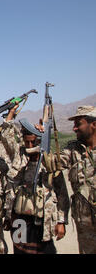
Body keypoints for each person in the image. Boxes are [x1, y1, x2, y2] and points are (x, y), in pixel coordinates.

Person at [0, 105, 69, 254]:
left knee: (44, 250)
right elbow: (5, 135)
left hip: (42, 219)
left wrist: (61, 222)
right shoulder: (19, 156)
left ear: (40, 142)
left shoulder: (50, 163)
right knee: (19, 249)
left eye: (34, 143)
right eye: (27, 142)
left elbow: (62, 194)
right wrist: (11, 112)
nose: (30, 146)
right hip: (19, 217)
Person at [47, 105, 95, 254]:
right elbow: (52, 164)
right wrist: (40, 139)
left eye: (78, 123)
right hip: (85, 225)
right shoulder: (73, 150)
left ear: (93, 124)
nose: (74, 128)